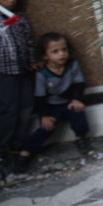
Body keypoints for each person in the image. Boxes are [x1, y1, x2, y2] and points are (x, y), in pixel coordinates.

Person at [11, 33, 91, 172]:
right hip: (51, 107)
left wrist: (78, 99)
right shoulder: (42, 73)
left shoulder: (72, 65)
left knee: (78, 114)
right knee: (46, 128)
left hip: (69, 102)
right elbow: (39, 97)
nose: (61, 54)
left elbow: (79, 83)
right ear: (45, 56)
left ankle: (81, 138)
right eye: (55, 51)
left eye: (64, 49)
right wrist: (44, 116)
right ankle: (25, 152)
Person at [0, 0, 33, 177]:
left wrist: (32, 59)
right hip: (4, 73)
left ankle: (18, 143)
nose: (11, 1)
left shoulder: (20, 19)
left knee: (26, 107)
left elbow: (28, 42)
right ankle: (3, 148)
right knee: (8, 110)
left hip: (23, 70)